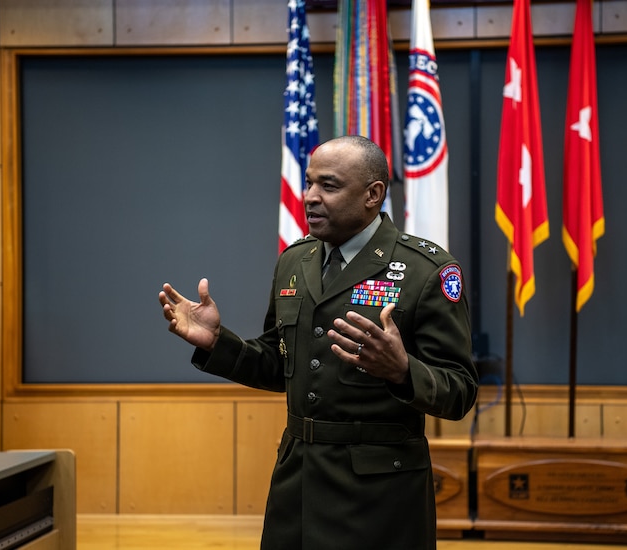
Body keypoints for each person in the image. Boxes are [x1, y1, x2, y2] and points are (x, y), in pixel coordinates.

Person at [159, 135, 478, 550]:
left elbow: (460, 391)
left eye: (328, 186)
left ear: (372, 194)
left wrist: (402, 371)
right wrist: (217, 342)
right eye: (309, 184)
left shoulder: (427, 270)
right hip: (298, 481)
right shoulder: (296, 260)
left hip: (378, 492)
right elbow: (280, 364)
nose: (309, 197)